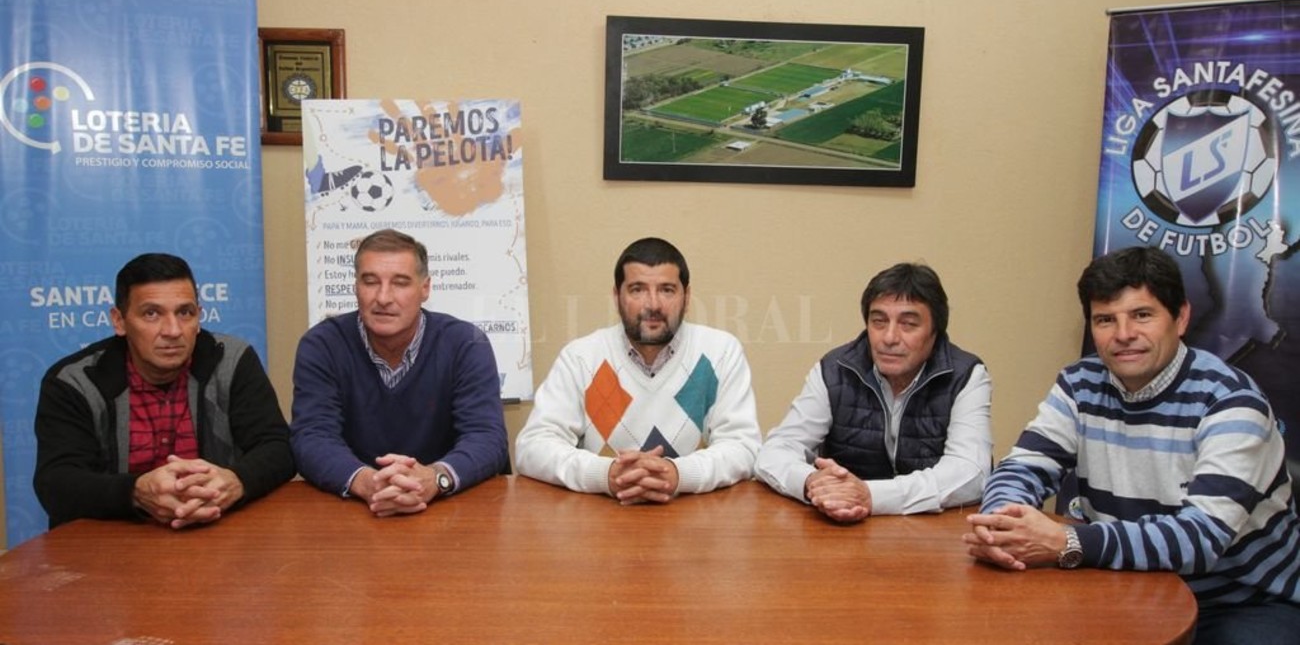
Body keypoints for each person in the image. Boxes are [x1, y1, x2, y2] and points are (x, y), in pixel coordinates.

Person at [965, 246, 1300, 644]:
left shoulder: (1231, 401)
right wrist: (1001, 526)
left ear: (1181, 318)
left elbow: (1200, 539)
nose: (1123, 334)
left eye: (1142, 315)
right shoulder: (1079, 384)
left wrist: (1065, 542)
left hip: (1239, 600)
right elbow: (1023, 466)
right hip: (1125, 580)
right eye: (1105, 319)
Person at [33, 253, 294, 529]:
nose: (173, 330)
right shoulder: (74, 381)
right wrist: (136, 492)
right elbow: (56, 482)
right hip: (115, 538)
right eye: (151, 314)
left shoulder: (231, 360)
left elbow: (278, 448)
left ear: (199, 316)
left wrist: (235, 481)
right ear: (119, 321)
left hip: (217, 530)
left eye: (185, 313)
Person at [515, 237, 760, 504]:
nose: (653, 304)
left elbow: (743, 447)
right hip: (601, 518)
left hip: (695, 518)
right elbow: (533, 447)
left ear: (687, 297)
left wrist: (678, 474)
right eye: (637, 289)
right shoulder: (581, 358)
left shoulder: (720, 352)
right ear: (616, 296)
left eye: (667, 290)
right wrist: (606, 474)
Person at [290, 229, 508, 516]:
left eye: (400, 283)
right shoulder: (322, 345)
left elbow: (486, 437)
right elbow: (312, 437)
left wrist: (435, 479)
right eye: (370, 282)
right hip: (356, 509)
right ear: (356, 286)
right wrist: (367, 483)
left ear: (425, 288)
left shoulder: (466, 343)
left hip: (450, 511)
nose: (383, 297)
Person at [755, 263, 992, 520]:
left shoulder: (965, 375)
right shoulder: (836, 369)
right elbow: (774, 452)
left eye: (908, 324)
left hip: (930, 528)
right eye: (878, 321)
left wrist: (871, 496)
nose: (889, 337)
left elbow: (971, 473)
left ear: (935, 332)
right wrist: (812, 482)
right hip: (843, 526)